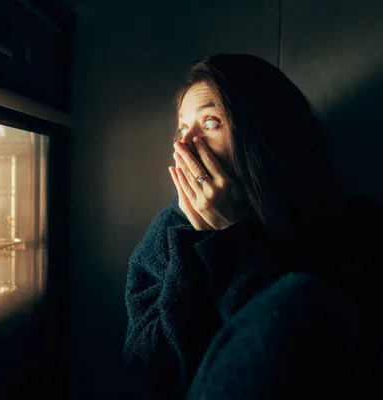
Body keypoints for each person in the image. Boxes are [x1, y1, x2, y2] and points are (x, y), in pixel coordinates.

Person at [123, 54, 381, 399]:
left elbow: (307, 357)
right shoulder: (170, 231)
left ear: (262, 132)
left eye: (211, 123)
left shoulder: (353, 228)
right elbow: (151, 374)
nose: (183, 144)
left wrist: (236, 237)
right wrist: (198, 241)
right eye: (183, 127)